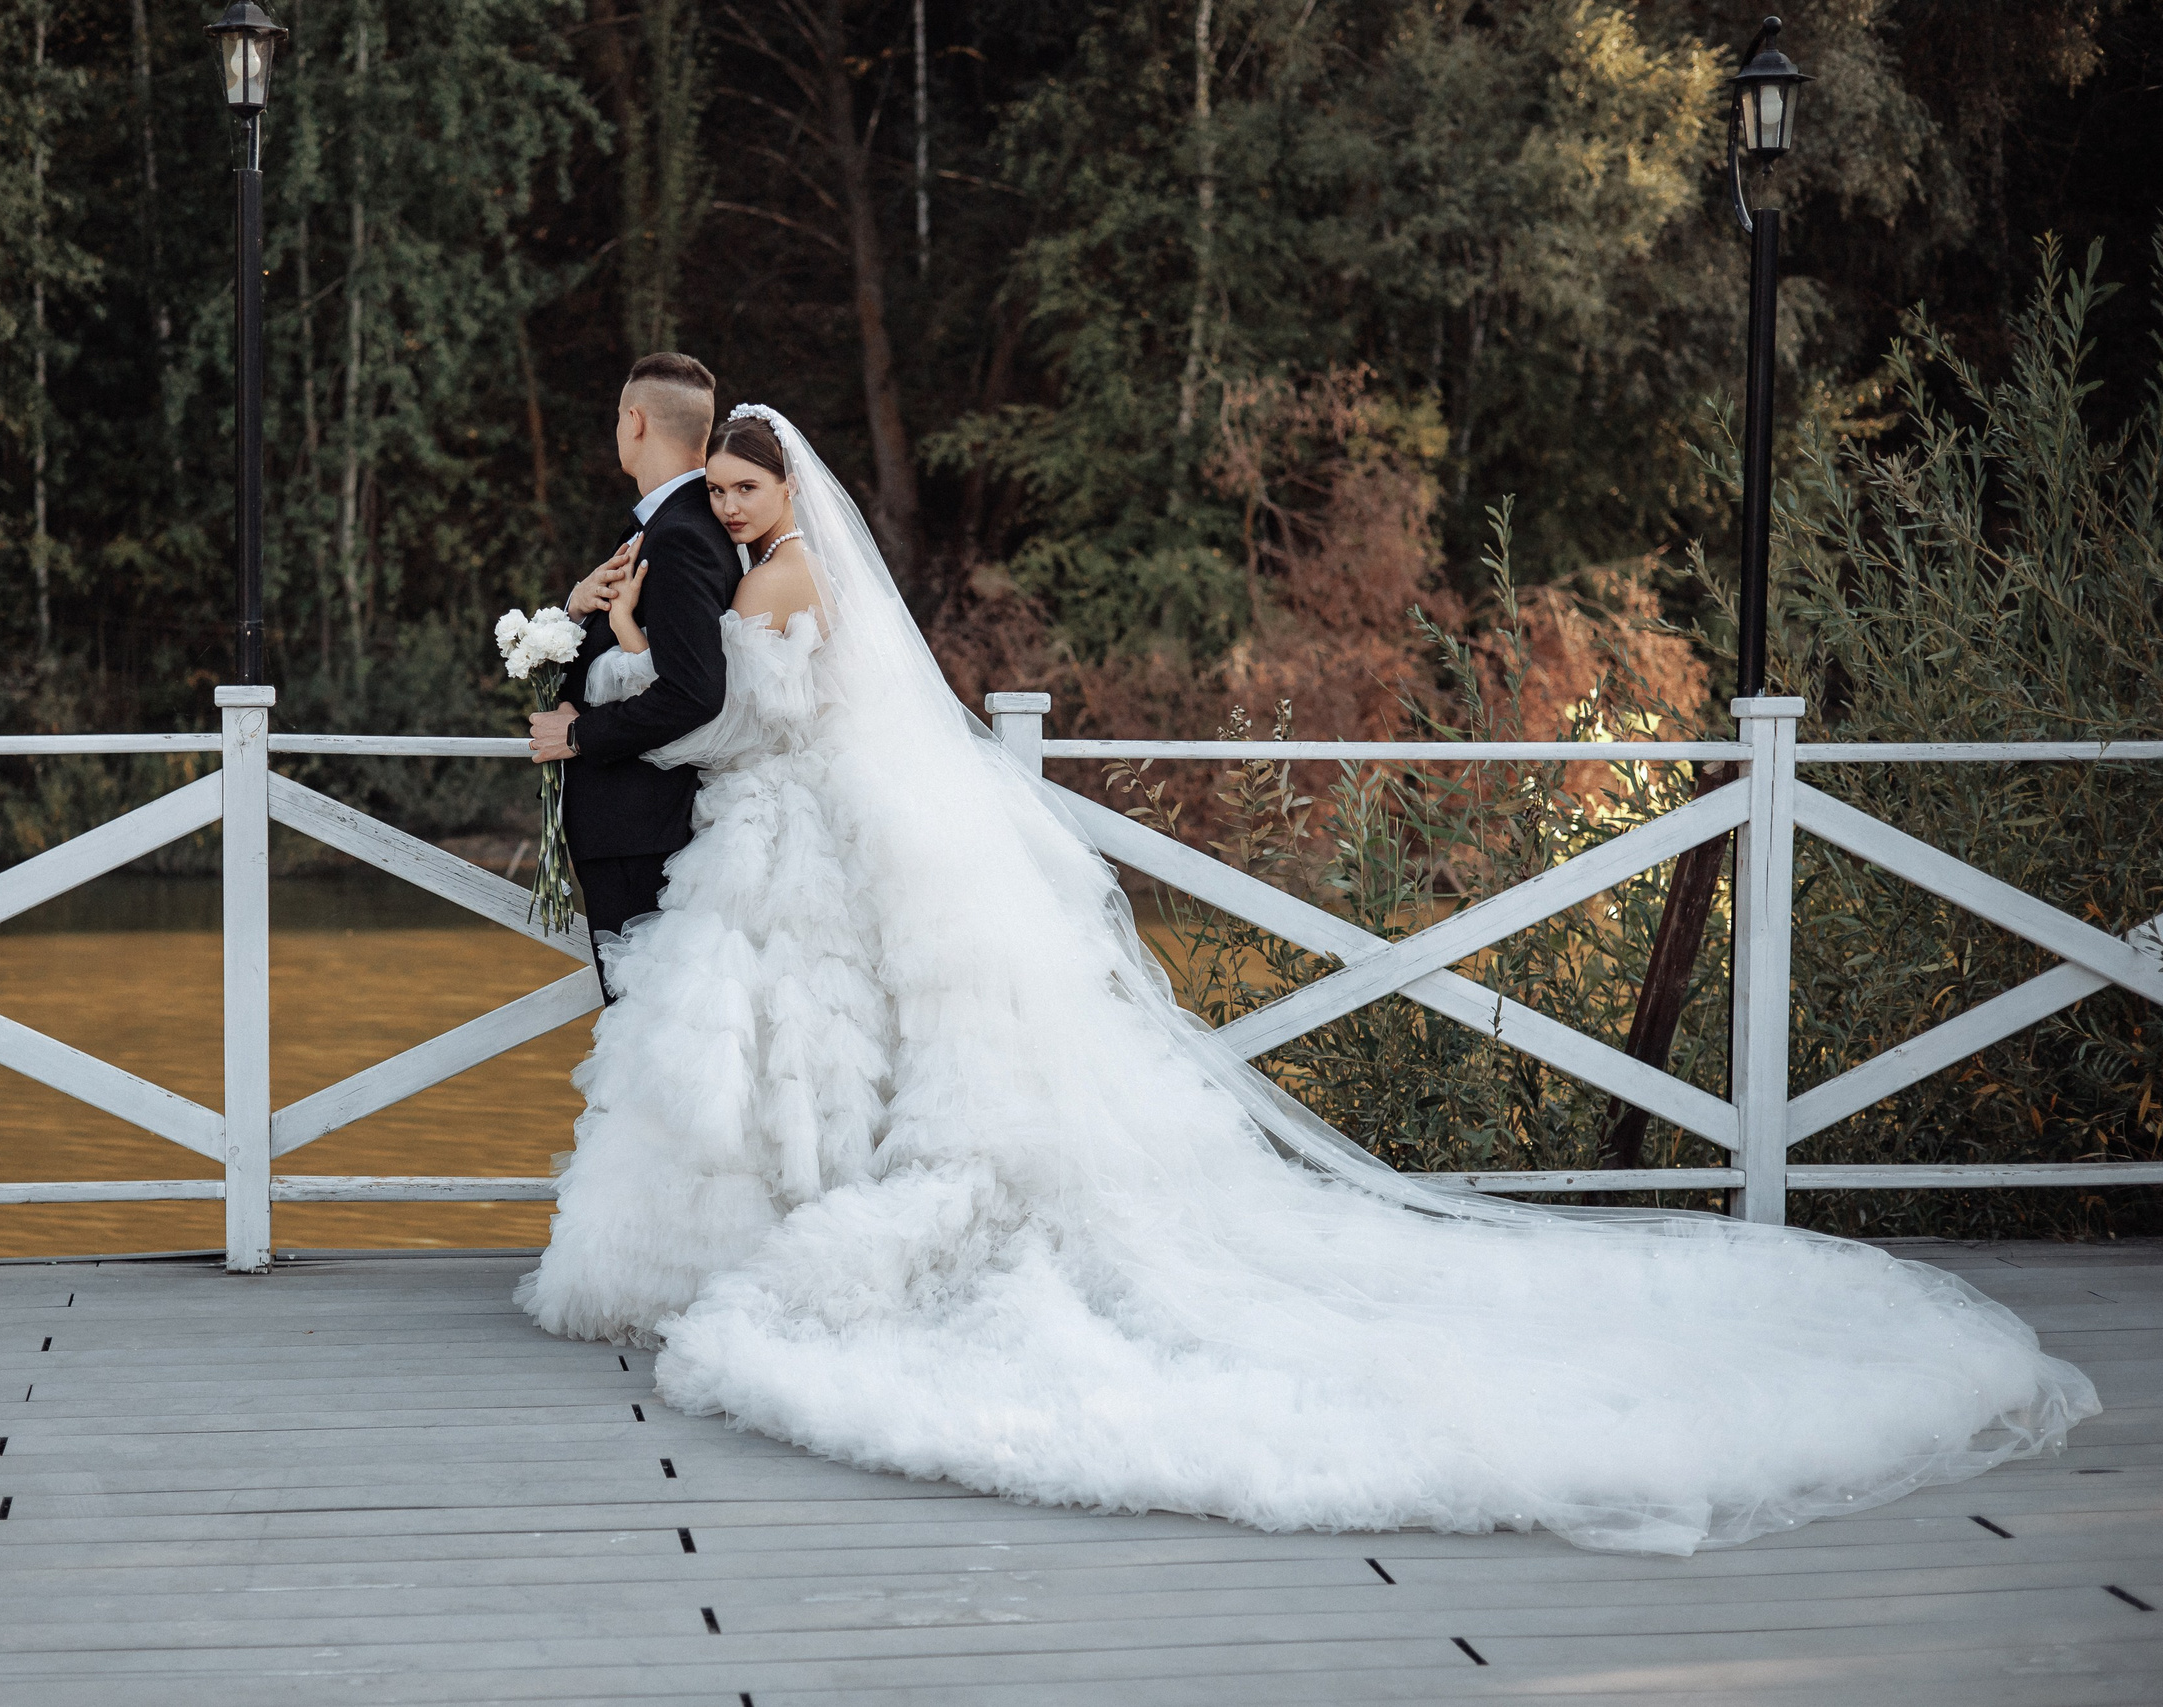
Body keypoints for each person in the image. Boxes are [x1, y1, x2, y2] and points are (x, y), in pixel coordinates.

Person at [516, 403, 2098, 1557]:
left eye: (742, 483)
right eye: (714, 484)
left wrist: (596, 687)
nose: (724, 505)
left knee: (803, 1035)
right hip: (815, 831)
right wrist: (636, 616)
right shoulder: (771, 568)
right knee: (818, 1037)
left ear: (788, 491)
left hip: (799, 819)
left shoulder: (787, 580)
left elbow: (749, 717)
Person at [526, 353, 745, 995]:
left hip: (642, 827)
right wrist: (573, 609)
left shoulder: (679, 536)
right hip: (638, 825)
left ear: (635, 420)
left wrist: (579, 737)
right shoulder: (677, 525)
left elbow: (693, 690)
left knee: (642, 1033)